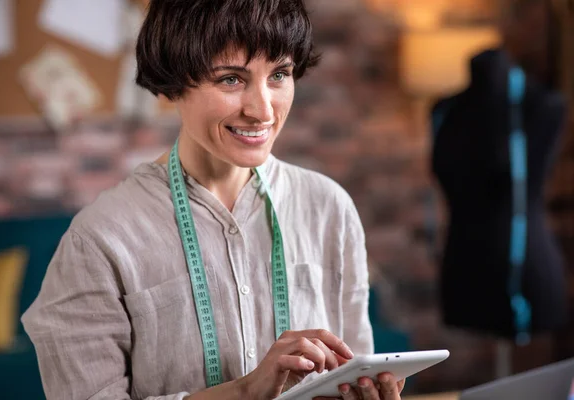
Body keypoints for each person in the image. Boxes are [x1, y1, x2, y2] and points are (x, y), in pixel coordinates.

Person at [22, 1, 405, 399]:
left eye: (279, 74)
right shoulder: (100, 239)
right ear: (174, 85)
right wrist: (245, 393)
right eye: (231, 80)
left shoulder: (329, 208)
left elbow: (353, 367)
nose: (262, 110)